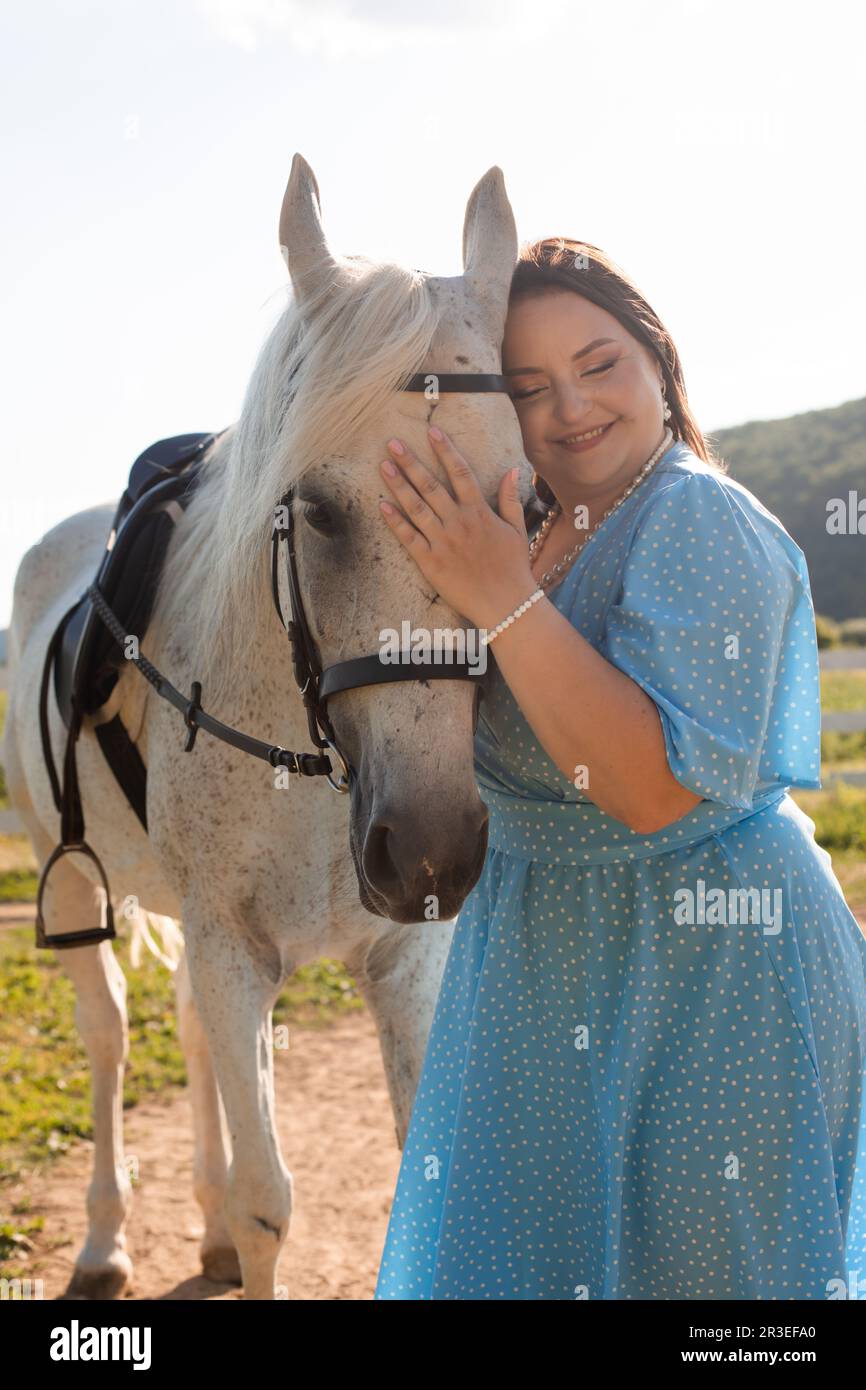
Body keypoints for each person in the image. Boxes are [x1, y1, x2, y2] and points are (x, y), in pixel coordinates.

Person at [372, 237, 866, 1300]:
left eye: (598, 365)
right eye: (529, 385)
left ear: (656, 361)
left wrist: (497, 593)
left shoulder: (694, 514)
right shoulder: (528, 531)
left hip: (709, 963)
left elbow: (646, 790)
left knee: (706, 1287)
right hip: (544, 957)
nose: (569, 408)